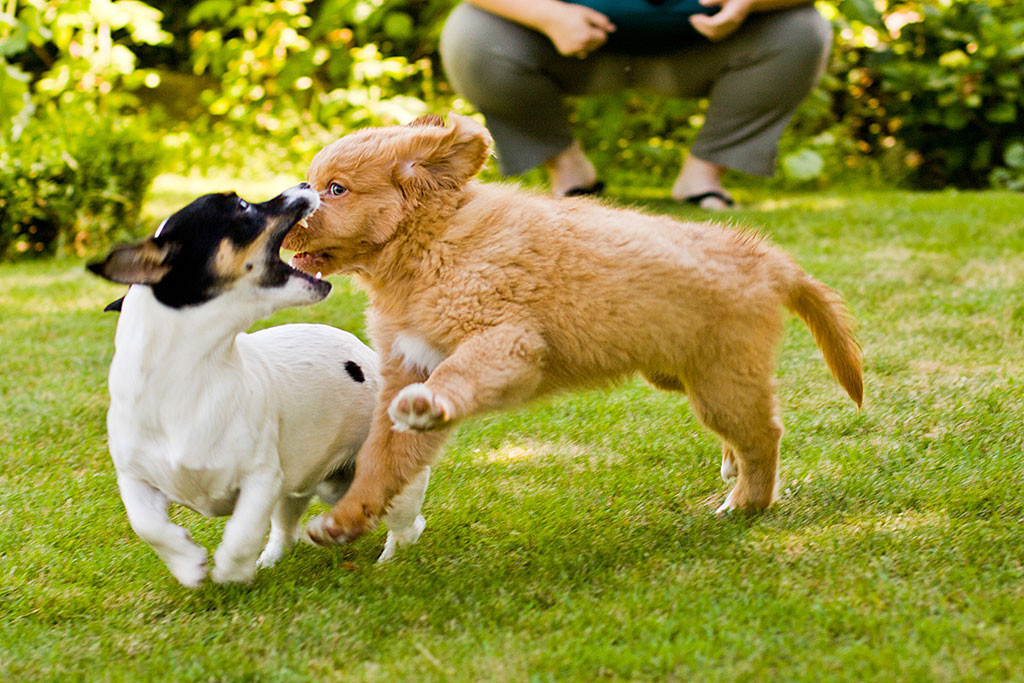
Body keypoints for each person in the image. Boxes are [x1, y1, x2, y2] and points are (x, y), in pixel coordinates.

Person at [439, 0, 832, 209]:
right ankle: (569, 172)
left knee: (802, 29)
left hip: (706, 48)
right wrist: (547, 14)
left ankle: (703, 176)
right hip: (565, 47)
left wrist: (750, 2)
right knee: (471, 33)